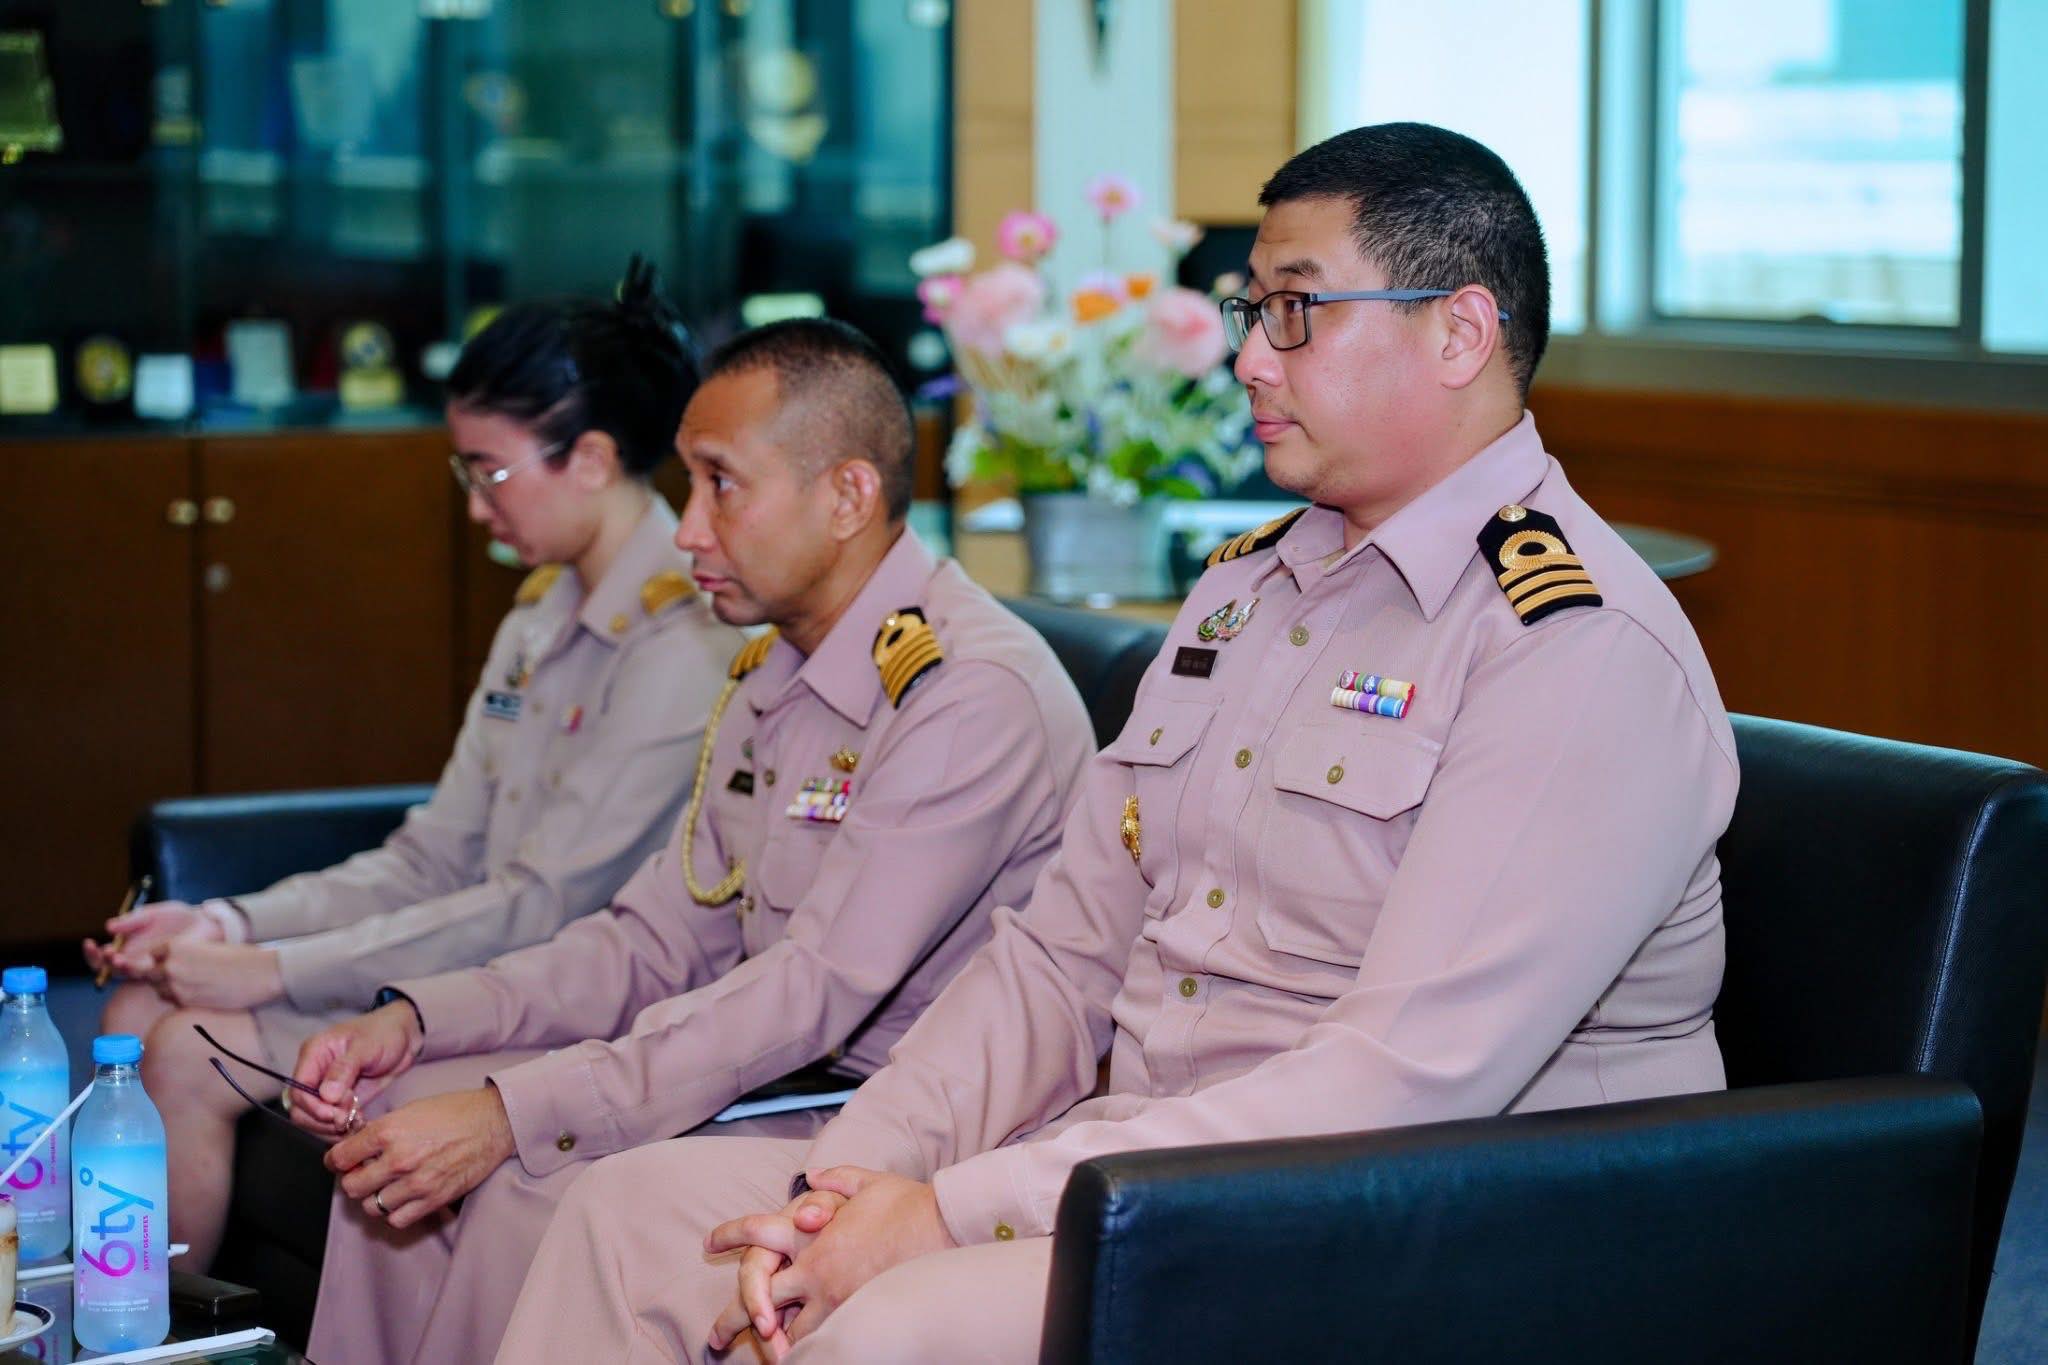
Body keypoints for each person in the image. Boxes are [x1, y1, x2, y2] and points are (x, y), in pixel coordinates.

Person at [495, 122, 1741, 1365]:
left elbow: (1399, 1084)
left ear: (1458, 333)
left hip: (1406, 1235)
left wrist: (945, 1215)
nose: (1248, 358)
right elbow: (1059, 957)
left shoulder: (1573, 648)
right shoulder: (1245, 592)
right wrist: (848, 1184)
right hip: (1141, 1176)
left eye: (1295, 312)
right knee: (628, 1221)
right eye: (1248, 311)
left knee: (883, 1329)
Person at [285, 318, 1096, 1365]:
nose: (687, 531)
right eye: (689, 484)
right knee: (401, 1114)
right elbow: (652, 940)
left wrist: (512, 1114)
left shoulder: (964, 695)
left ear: (847, 496)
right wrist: (423, 1018)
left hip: (888, 1113)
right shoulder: (774, 668)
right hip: (778, 1075)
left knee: (529, 1180)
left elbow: (808, 993)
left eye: (723, 485)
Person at [82, 258, 738, 1272]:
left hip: (561, 997)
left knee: (179, 1047)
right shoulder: (540, 615)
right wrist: (233, 924)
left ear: (593, 458)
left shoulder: (683, 642)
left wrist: (274, 969)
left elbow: (541, 907)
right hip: (468, 962)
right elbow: (435, 852)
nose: (475, 506)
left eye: (489, 471)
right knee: (138, 1009)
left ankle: (158, 1325)